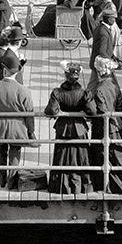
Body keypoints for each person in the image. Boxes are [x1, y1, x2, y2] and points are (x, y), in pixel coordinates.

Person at [0, 56, 37, 189]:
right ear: (17, 72)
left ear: (4, 71)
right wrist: (31, 131)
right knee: (15, 152)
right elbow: (29, 114)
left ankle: (2, 180)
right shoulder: (24, 91)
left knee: (1, 151)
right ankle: (11, 182)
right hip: (18, 128)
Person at [85, 56, 122, 195]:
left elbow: (101, 111)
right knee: (119, 157)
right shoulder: (115, 85)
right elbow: (119, 106)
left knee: (105, 156)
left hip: (103, 127)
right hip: (116, 126)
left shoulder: (99, 89)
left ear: (98, 72)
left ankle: (108, 184)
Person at [45, 61, 96, 194]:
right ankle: (83, 186)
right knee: (82, 157)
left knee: (62, 156)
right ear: (78, 76)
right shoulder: (85, 93)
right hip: (79, 128)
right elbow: (92, 111)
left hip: (63, 128)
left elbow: (51, 111)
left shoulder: (57, 92)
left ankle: (61, 186)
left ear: (65, 75)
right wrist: (81, 112)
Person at [87, 5, 121, 87]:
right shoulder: (104, 33)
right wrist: (111, 62)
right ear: (109, 19)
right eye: (113, 18)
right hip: (101, 65)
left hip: (97, 63)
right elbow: (102, 51)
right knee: (96, 85)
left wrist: (112, 55)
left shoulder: (100, 28)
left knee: (93, 84)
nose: (115, 20)